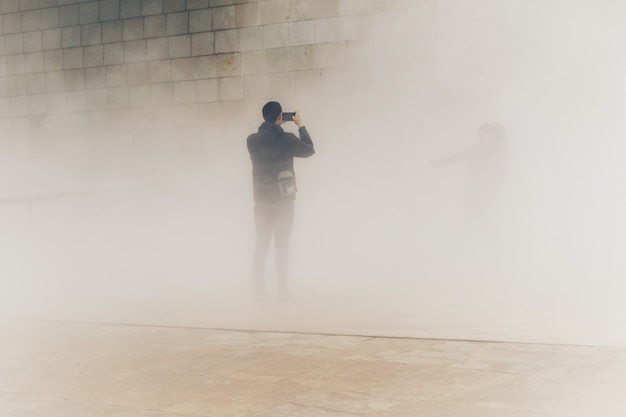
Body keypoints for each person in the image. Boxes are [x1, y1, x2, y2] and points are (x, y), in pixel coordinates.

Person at [247, 101, 315, 301]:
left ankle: (259, 289)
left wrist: (275, 127)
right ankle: (282, 290)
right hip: (283, 202)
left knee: (261, 245)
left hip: (261, 202)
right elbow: (309, 149)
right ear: (280, 117)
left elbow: (267, 142)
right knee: (281, 246)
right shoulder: (287, 139)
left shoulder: (251, 140)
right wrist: (300, 125)